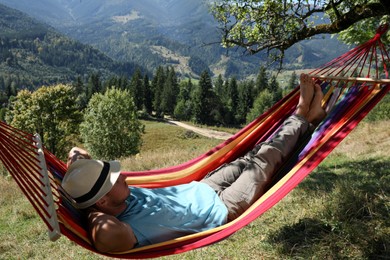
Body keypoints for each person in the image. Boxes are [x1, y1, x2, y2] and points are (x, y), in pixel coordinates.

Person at [61, 74, 326, 253]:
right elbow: (105, 238)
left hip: (203, 186)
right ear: (102, 203)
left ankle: (309, 120)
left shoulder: (112, 198)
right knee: (264, 161)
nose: (125, 177)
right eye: (115, 180)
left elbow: (78, 152)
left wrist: (77, 172)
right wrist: (88, 211)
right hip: (223, 207)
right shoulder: (121, 230)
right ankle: (302, 112)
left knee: (252, 155)